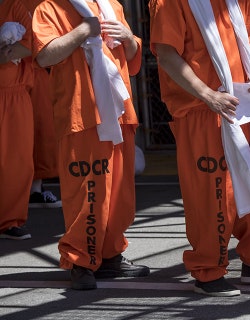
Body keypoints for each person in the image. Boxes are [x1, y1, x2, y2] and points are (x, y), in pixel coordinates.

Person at [148, 0, 250, 297]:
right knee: (213, 193)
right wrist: (208, 95)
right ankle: (208, 269)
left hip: (245, 106)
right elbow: (167, 55)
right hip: (202, 108)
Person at [32, 0, 149, 290]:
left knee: (120, 193)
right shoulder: (49, 7)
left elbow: (133, 58)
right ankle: (80, 260)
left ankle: (110, 255)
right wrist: (83, 30)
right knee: (85, 192)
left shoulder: (113, 5)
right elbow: (45, 56)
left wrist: (126, 36)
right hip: (80, 113)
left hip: (118, 110)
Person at [0, 0, 34, 240]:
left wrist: (6, 54)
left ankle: (9, 220)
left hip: (14, 93)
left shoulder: (15, 6)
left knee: (17, 160)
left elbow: (31, 45)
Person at [24, 0, 61, 209]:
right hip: (16, 74)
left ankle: (35, 189)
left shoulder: (44, 4)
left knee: (41, 131)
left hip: (35, 72)